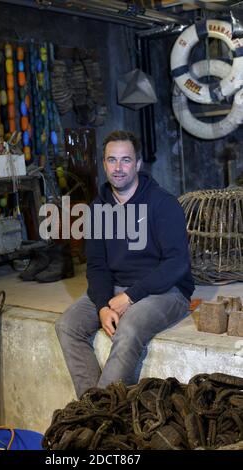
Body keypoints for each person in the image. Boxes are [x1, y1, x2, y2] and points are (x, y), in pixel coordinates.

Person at [55, 130, 195, 398]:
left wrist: (129, 297)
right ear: (104, 164)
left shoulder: (162, 203)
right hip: (117, 289)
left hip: (166, 291)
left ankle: (102, 416)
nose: (118, 168)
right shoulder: (98, 209)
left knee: (128, 329)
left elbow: (177, 263)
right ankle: (93, 405)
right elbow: (96, 266)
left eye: (126, 160)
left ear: (138, 164)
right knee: (67, 325)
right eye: (112, 160)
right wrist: (102, 306)